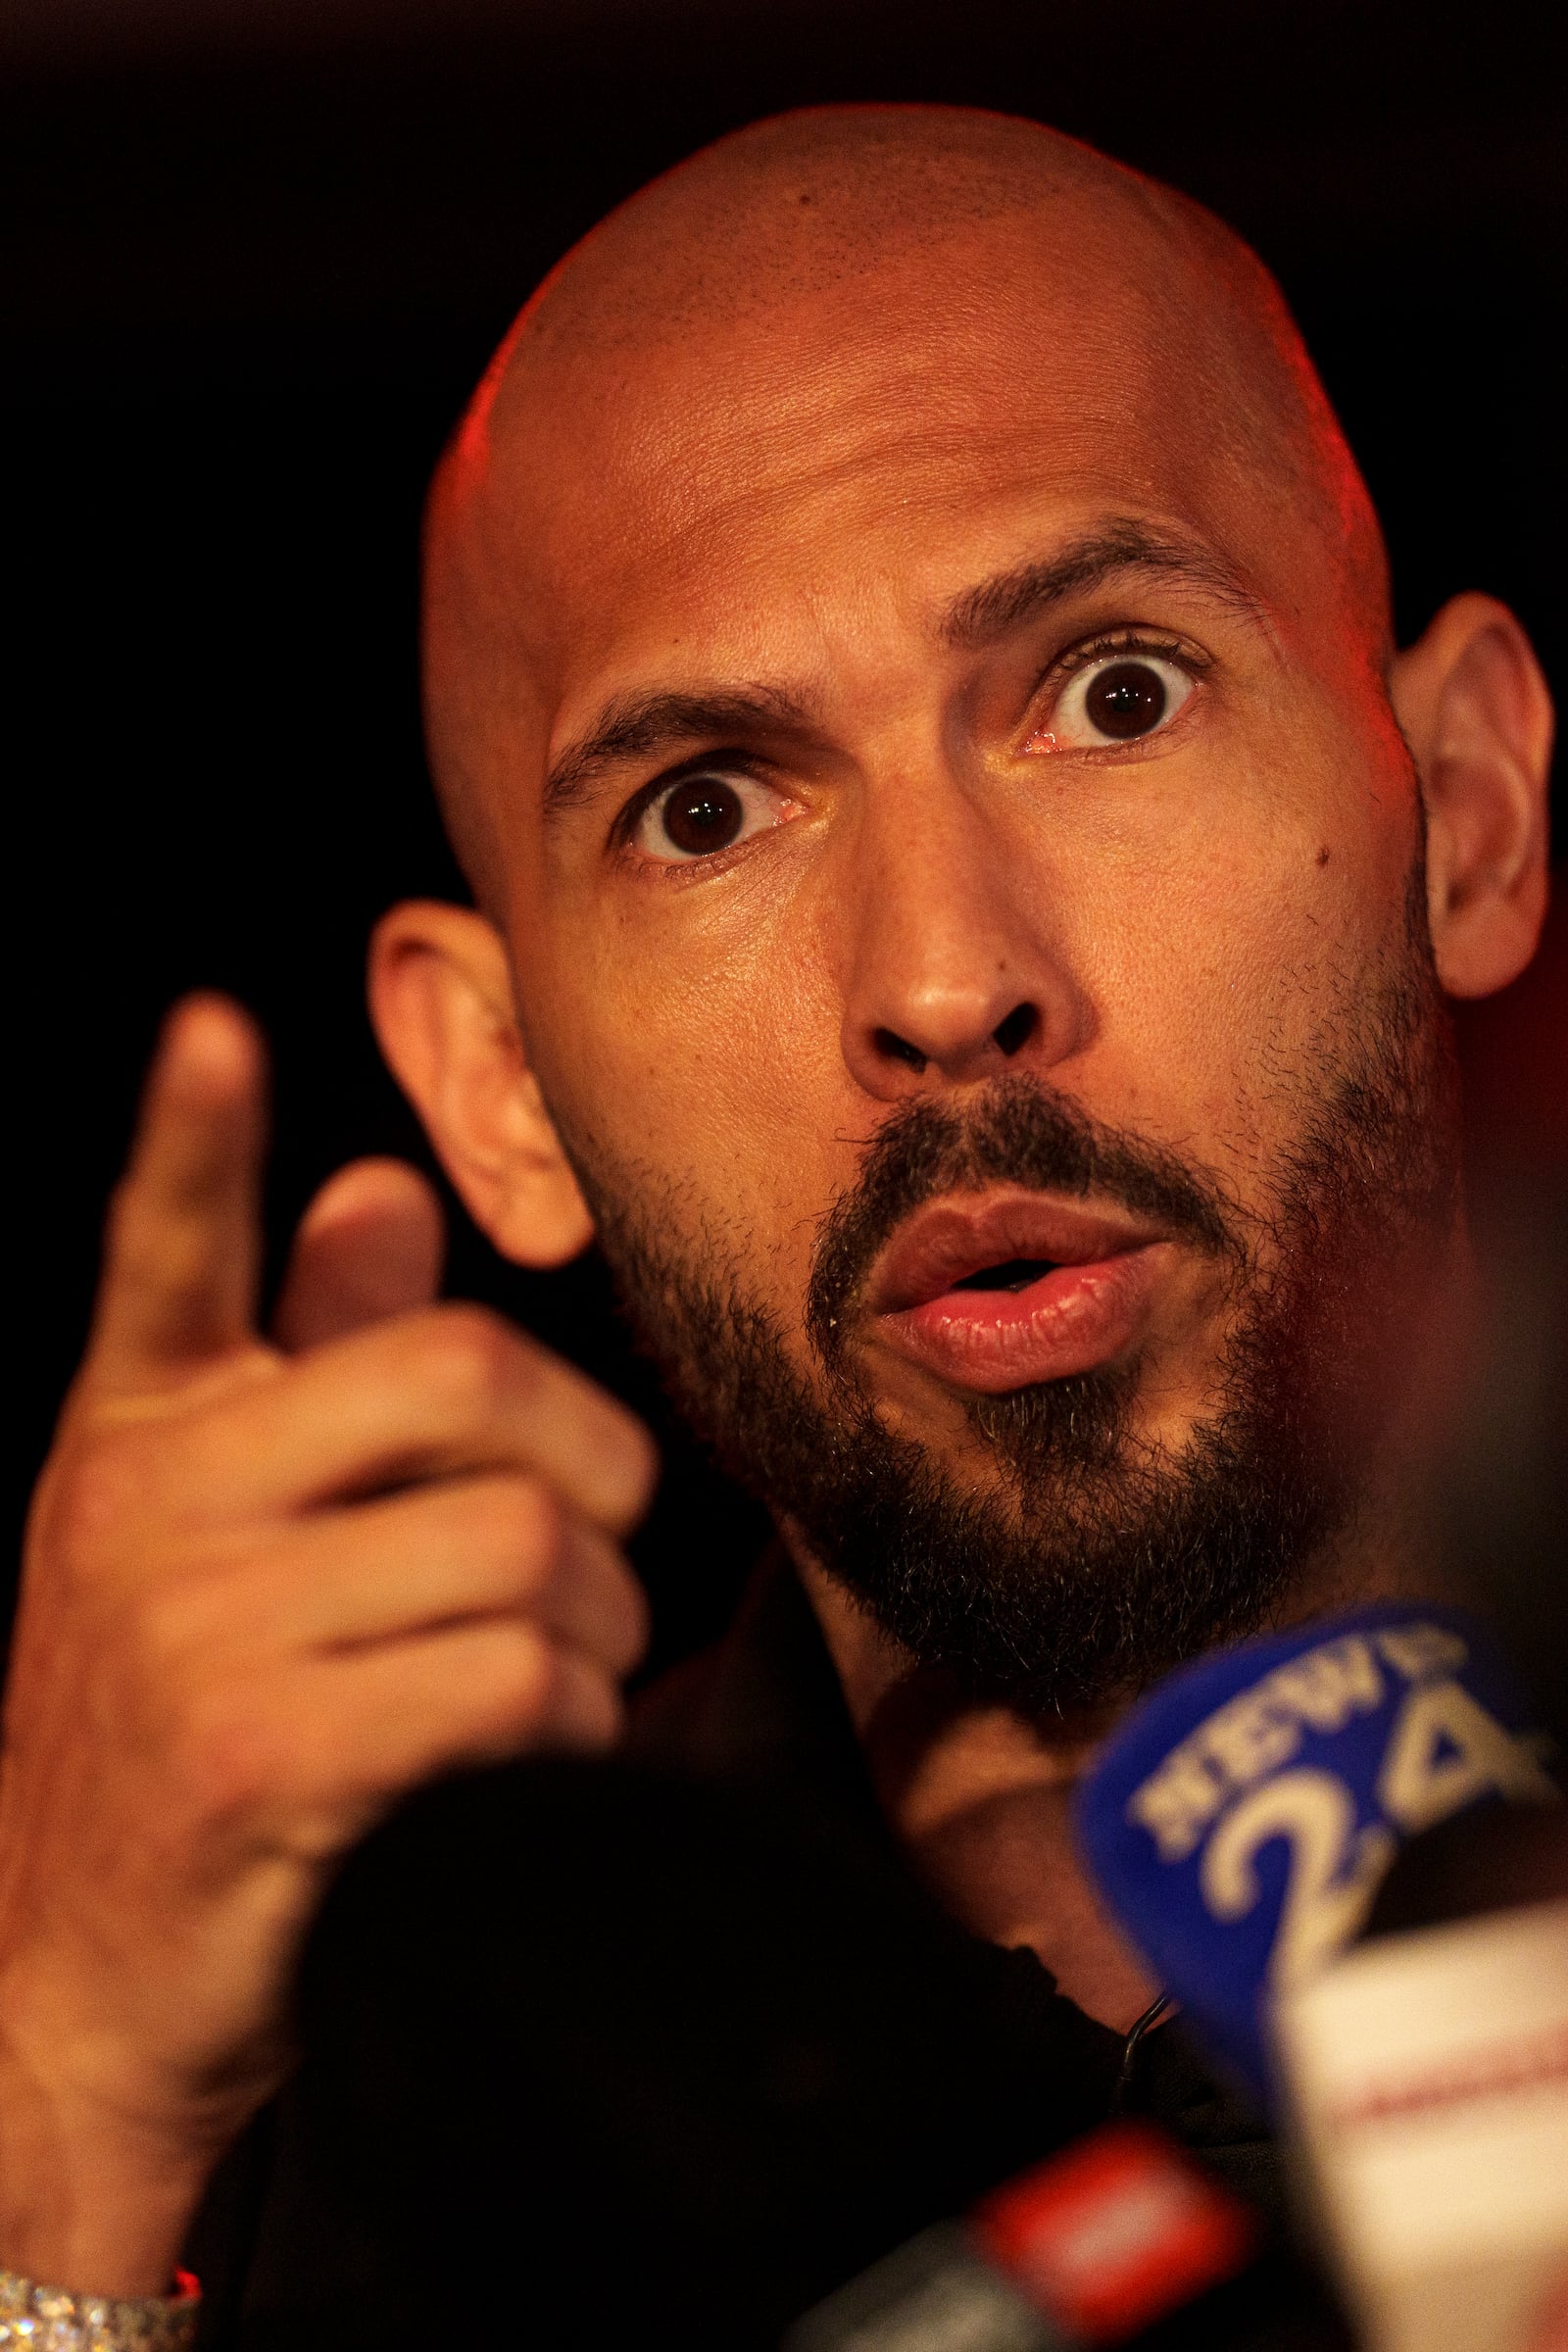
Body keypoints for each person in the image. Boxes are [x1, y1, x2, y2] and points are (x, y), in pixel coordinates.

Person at [0, 102, 1554, 2346]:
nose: (939, 981)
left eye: (1111, 695)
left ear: (1473, 820)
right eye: (703, 810)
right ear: (498, 1087)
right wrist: (62, 2137)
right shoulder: (349, 2127)